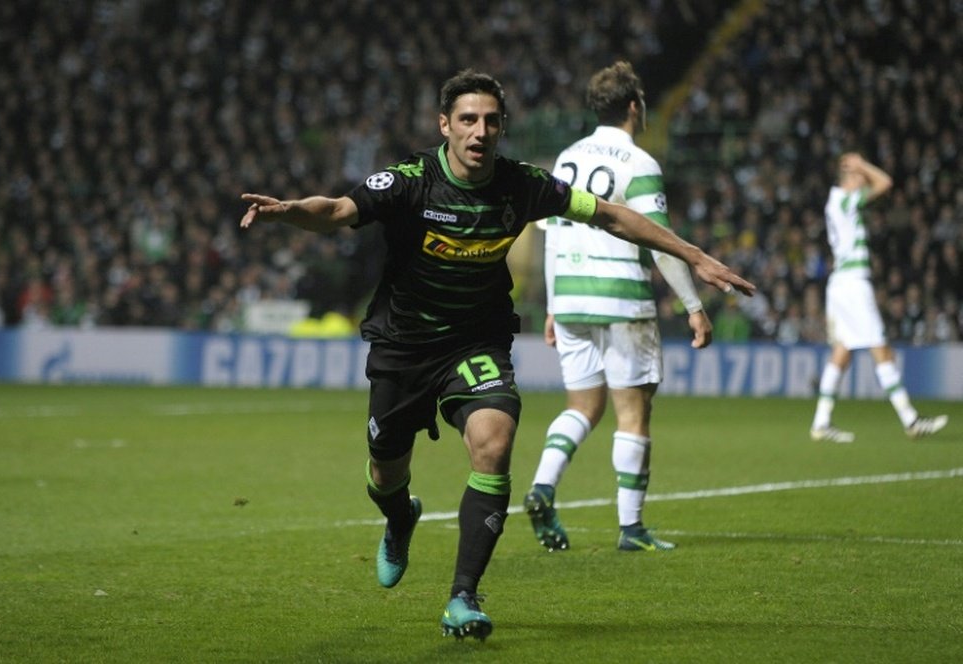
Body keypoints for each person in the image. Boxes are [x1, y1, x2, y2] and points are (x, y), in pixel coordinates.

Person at [239, 69, 755, 641]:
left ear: (502, 127)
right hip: (404, 346)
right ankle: (399, 515)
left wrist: (694, 255)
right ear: (445, 126)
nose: (479, 131)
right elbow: (337, 212)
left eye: (489, 120)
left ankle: (463, 596)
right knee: (386, 469)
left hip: (474, 342)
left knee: (494, 441)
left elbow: (611, 214)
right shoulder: (410, 180)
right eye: (467, 120)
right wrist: (287, 211)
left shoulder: (522, 184)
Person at [524, 61, 713, 555]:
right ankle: (631, 529)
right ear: (634, 106)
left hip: (568, 296)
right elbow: (661, 243)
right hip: (621, 299)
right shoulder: (640, 163)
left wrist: (551, 304)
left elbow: (553, 234)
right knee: (633, 410)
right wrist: (693, 305)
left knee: (582, 405)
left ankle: (543, 486)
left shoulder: (565, 159)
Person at [810, 152, 947, 443]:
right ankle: (910, 419)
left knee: (842, 351)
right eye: (859, 176)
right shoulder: (843, 200)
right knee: (880, 348)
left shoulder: (836, 203)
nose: (864, 180)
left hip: (841, 285)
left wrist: (859, 168)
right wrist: (863, 166)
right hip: (853, 283)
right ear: (849, 177)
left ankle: (821, 422)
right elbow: (885, 182)